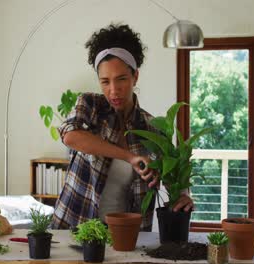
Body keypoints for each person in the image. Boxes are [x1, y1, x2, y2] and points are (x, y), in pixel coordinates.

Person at [51, 23, 193, 231]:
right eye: (105, 81)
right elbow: (70, 136)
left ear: (135, 76)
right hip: (74, 227)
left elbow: (174, 182)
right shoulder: (90, 106)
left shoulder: (154, 130)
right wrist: (129, 156)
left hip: (127, 236)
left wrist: (183, 196)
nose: (113, 90)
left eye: (121, 79)